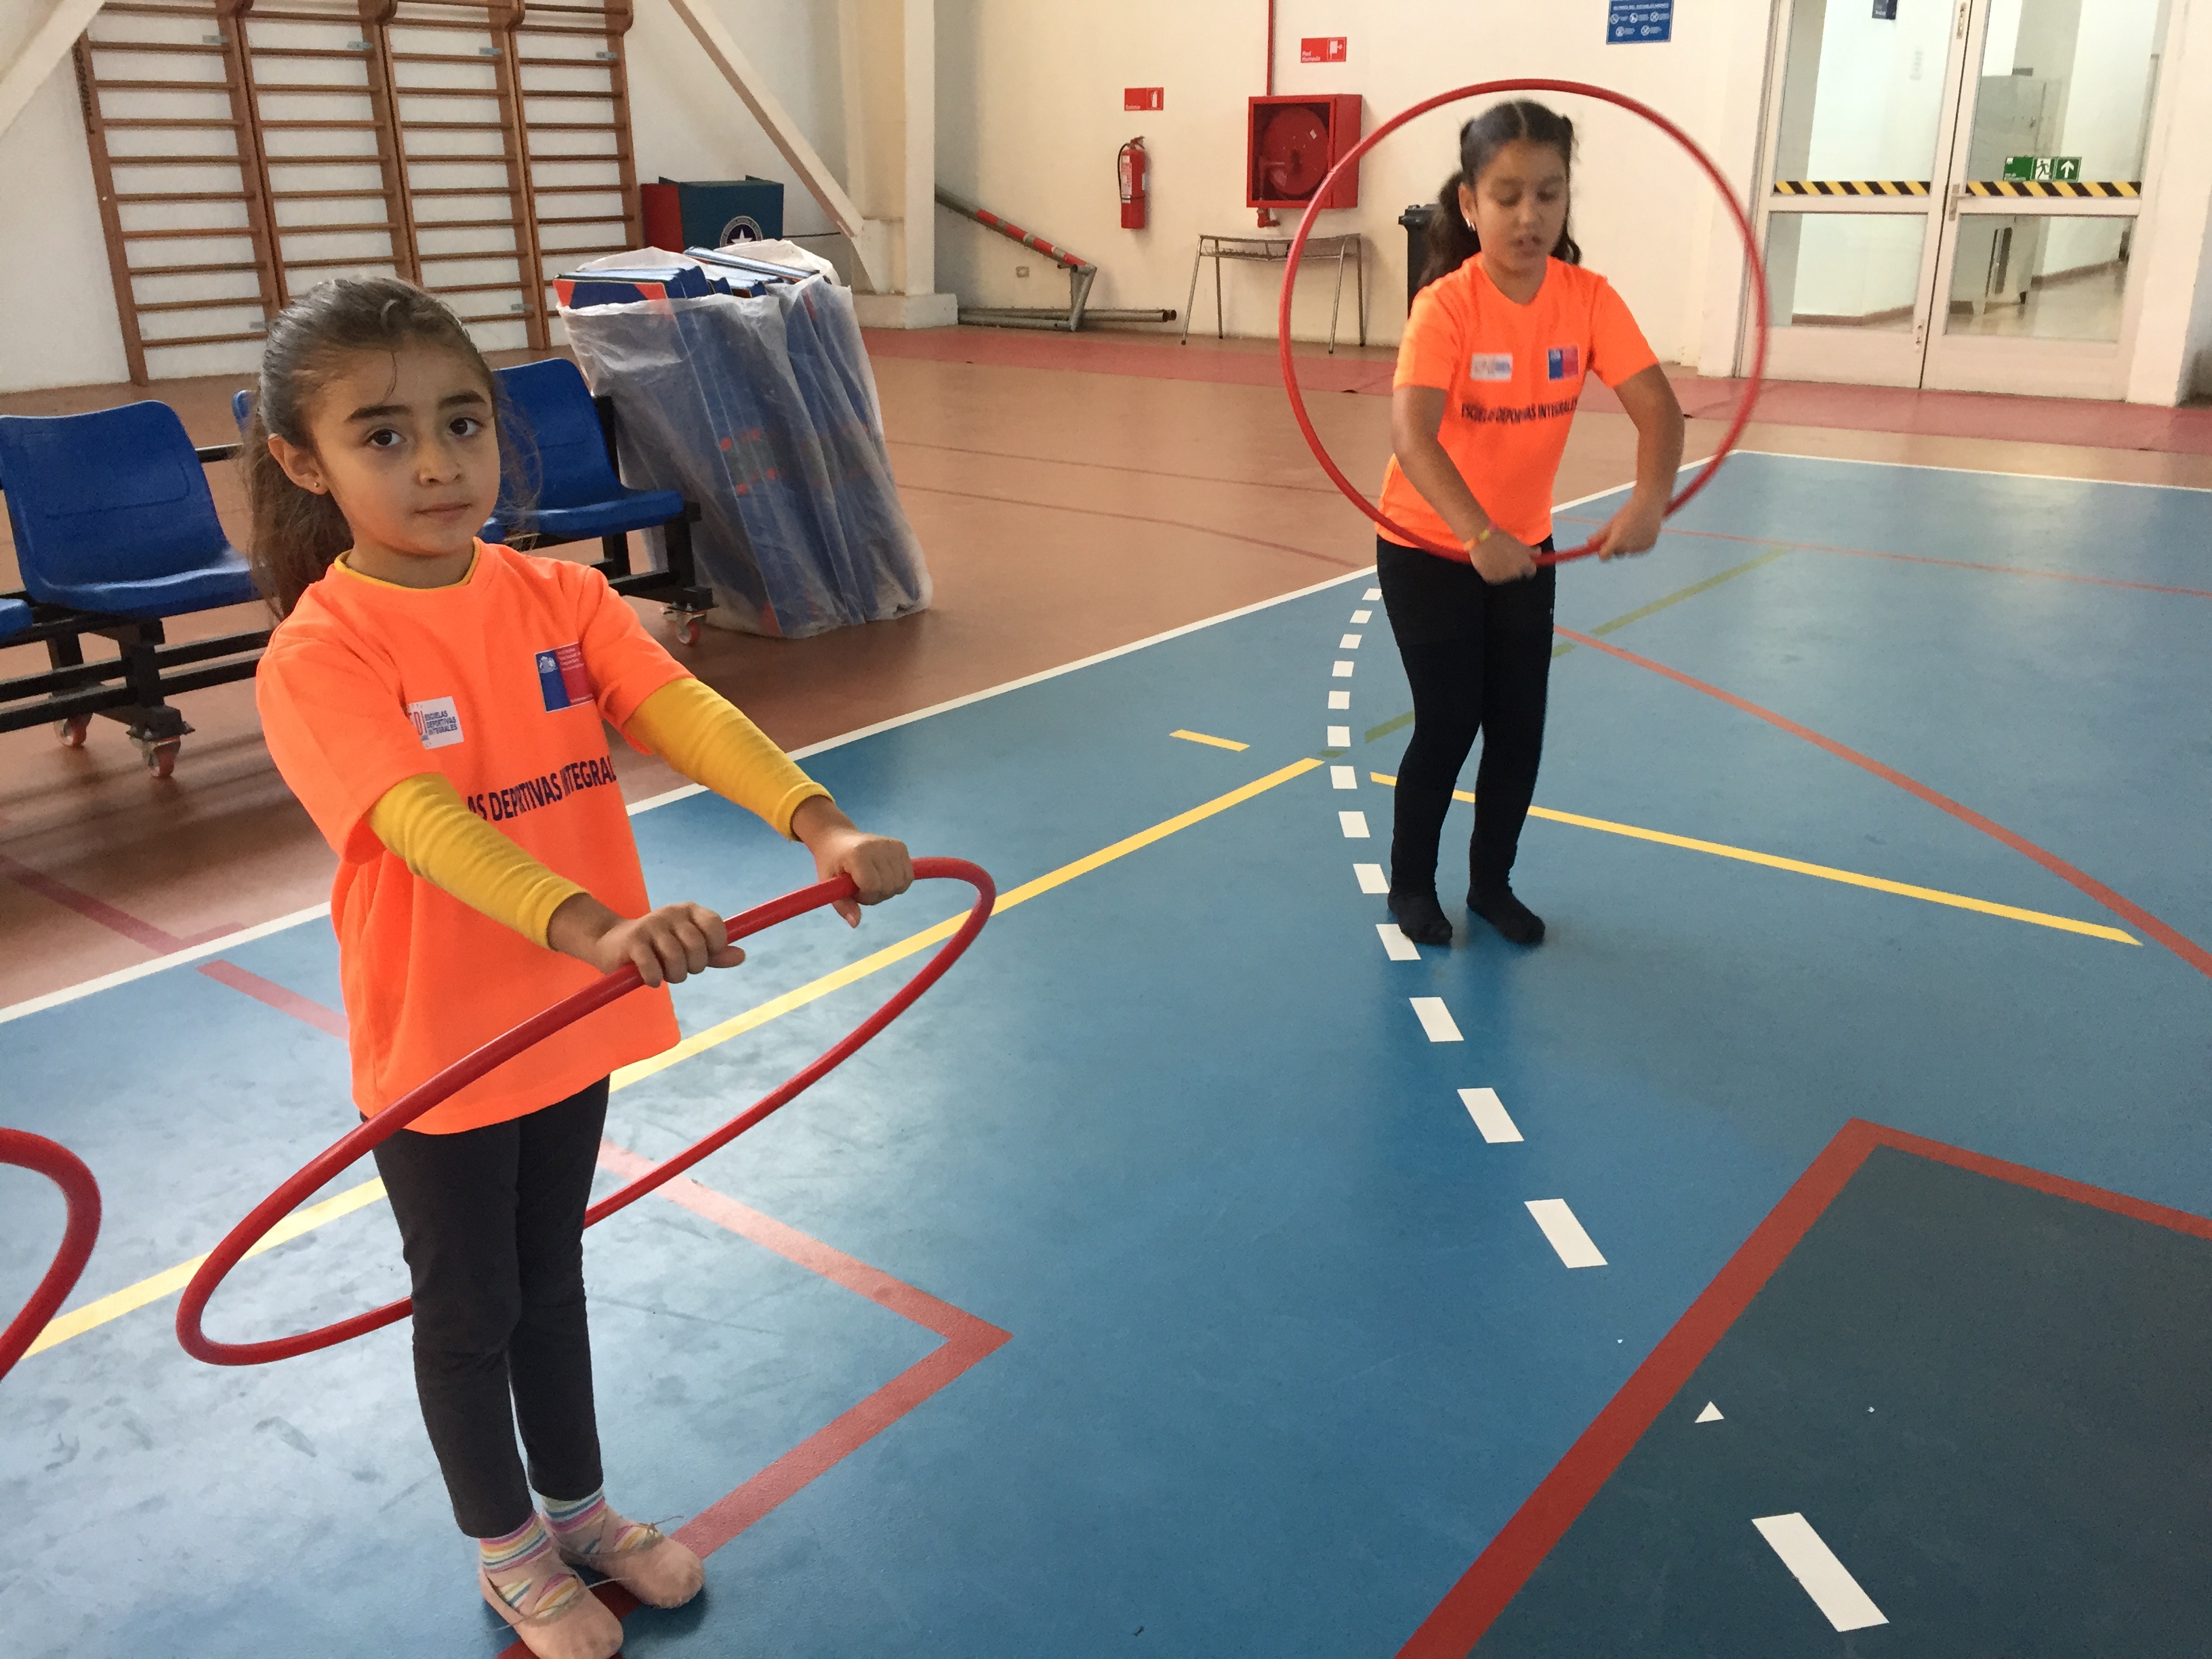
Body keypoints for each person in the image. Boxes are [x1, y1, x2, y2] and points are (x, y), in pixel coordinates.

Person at [245, 277, 913, 1659]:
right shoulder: (321, 651)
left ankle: (583, 1512)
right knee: (471, 1308)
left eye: (462, 422)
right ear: (304, 463)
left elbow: (683, 710)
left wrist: (820, 822)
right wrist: (598, 926)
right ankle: (508, 1553)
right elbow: (421, 825)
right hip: (445, 1038)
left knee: (551, 1279)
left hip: (568, 1014)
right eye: (382, 437)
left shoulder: (559, 593)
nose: (438, 463)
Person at [1378, 100, 1685, 947]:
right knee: (1449, 721)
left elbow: (1659, 409)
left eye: (1548, 194)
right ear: (1469, 204)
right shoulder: (1446, 307)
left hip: (1525, 550)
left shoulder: (1588, 300)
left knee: (1519, 728)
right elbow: (1412, 435)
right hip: (1429, 544)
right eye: (1507, 196)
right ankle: (1411, 885)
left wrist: (1649, 500)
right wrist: (1478, 535)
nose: (1529, 216)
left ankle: (1491, 885)